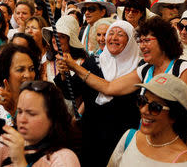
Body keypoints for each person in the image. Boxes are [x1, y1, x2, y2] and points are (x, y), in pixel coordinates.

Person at [56, 20, 141, 167]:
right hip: (92, 136)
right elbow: (71, 92)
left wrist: (76, 67)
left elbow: (109, 88)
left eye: (120, 35)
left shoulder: (139, 68)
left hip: (122, 137)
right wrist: (64, 73)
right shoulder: (94, 62)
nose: (113, 38)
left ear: (130, 41)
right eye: (111, 33)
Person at [64, 16, 187, 100]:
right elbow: (109, 88)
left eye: (147, 41)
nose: (142, 46)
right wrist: (75, 67)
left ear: (163, 41)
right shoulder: (145, 70)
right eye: (141, 41)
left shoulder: (183, 69)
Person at [0, 81, 80, 167]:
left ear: (53, 118)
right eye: (20, 111)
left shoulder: (64, 158)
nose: (22, 119)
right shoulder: (8, 146)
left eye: (31, 113)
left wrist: (19, 161)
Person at [107, 73, 187, 166]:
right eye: (142, 101)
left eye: (155, 107)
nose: (143, 110)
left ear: (174, 115)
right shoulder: (129, 138)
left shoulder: (186, 161)